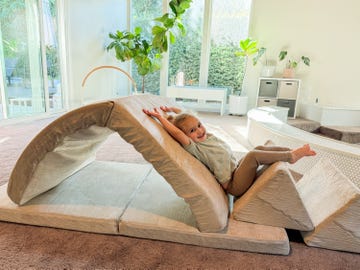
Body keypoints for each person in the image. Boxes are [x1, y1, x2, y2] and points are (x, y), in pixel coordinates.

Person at [143, 106, 316, 197]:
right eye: (192, 131)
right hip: (234, 185)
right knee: (253, 155)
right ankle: (291, 156)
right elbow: (177, 132)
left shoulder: (206, 135)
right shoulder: (194, 146)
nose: (199, 131)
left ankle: (290, 151)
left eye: (199, 126)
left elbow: (188, 117)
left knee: (259, 149)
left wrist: (172, 110)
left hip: (236, 170)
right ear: (187, 137)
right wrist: (159, 118)